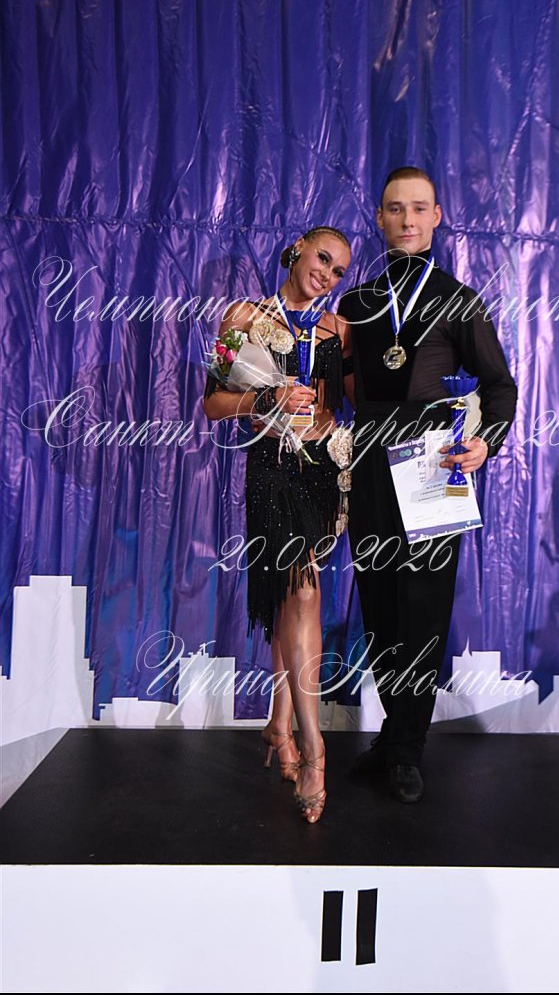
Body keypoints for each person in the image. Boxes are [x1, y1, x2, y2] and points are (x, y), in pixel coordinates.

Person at [337, 166, 517, 803]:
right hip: (369, 462)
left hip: (434, 465)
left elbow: (499, 386)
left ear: (437, 217)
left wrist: (485, 441)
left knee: (423, 607)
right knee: (380, 604)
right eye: (395, 208)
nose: (407, 219)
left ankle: (408, 747)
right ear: (379, 218)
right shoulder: (356, 304)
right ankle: (395, 732)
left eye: (418, 208)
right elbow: (343, 386)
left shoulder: (459, 299)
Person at [203, 226, 353, 824]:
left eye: (339, 271)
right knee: (305, 593)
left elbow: (352, 398)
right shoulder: (243, 316)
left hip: (324, 470)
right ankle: (315, 751)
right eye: (323, 259)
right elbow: (213, 403)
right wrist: (264, 402)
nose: (327, 275)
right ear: (296, 250)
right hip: (272, 470)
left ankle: (279, 724)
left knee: (293, 601)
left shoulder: (338, 329)